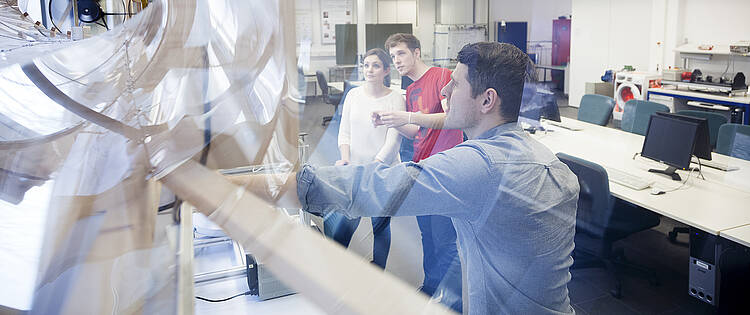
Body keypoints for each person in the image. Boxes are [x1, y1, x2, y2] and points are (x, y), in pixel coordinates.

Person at [290, 42, 579, 314]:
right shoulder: (552, 164)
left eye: (455, 84)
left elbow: (374, 187)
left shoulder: (481, 166)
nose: (445, 91)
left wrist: (276, 186)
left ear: (487, 100)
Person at [373, 33, 463, 309]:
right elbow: (415, 132)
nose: (396, 61)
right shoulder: (410, 89)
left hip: (445, 169)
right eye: (393, 56)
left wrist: (408, 116)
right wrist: (391, 120)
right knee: (427, 234)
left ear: (416, 52)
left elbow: (452, 119)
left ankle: (446, 296)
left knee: (446, 239)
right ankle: (430, 286)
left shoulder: (442, 76)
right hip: (422, 167)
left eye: (401, 53)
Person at [324, 48, 404, 269]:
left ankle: (378, 270)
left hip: (383, 173)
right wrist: (346, 159)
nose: (370, 69)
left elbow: (393, 141)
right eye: (366, 65)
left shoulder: (395, 98)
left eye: (376, 65)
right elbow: (345, 132)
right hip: (356, 171)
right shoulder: (353, 95)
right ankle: (334, 266)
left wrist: (374, 168)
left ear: (386, 70)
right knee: (348, 222)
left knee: (380, 224)